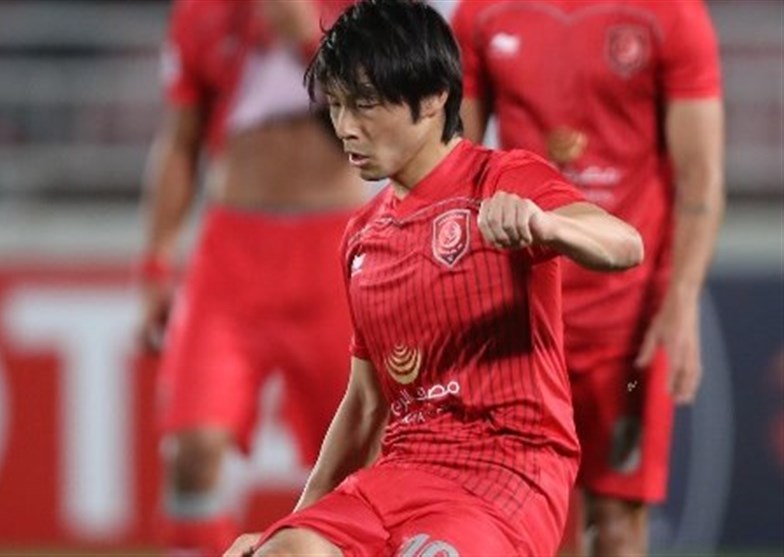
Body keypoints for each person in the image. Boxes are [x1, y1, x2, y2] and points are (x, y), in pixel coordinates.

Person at [223, 1, 644, 555]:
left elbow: (625, 244)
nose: (345, 128)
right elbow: (365, 406)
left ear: (432, 97)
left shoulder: (502, 179)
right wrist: (293, 525)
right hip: (400, 473)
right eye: (337, 106)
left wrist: (548, 226)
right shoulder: (362, 236)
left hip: (506, 469)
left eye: (365, 105)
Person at [451, 1, 725, 555]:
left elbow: (701, 179)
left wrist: (681, 302)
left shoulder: (670, 15)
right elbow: (452, 166)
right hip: (521, 321)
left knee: (618, 522)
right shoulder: (480, 15)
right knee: (535, 520)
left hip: (625, 328)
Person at [136, 1, 363, 554]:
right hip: (232, 253)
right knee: (191, 451)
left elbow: (386, 114)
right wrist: (158, 261)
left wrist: (306, 37)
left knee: (357, 462)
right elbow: (181, 140)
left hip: (335, 250)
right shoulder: (201, 12)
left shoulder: (358, 9)